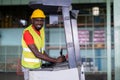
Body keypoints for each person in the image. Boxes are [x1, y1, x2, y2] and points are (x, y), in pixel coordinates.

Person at [21, 8, 66, 80]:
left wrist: (53, 61)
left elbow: (41, 51)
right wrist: (55, 60)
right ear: (32, 20)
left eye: (41, 20)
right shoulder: (28, 33)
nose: (39, 23)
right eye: (37, 20)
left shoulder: (41, 30)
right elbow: (37, 53)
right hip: (29, 67)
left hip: (37, 65)